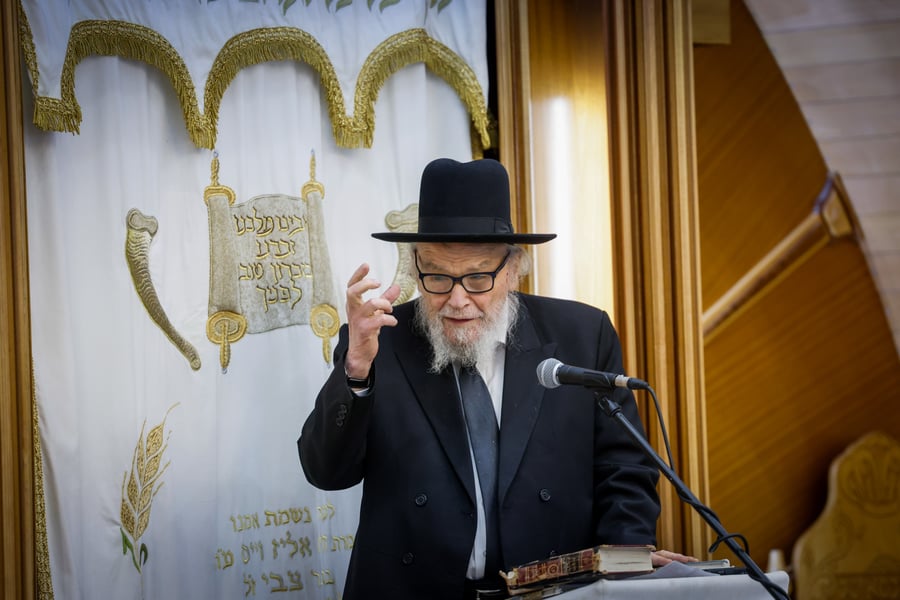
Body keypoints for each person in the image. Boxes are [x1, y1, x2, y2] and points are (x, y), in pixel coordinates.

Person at [299, 158, 693, 600]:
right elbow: (326, 472)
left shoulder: (582, 335)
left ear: (513, 269)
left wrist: (625, 558)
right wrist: (355, 371)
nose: (457, 299)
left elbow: (624, 468)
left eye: (477, 277)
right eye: (438, 276)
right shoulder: (378, 343)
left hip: (556, 592)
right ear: (414, 267)